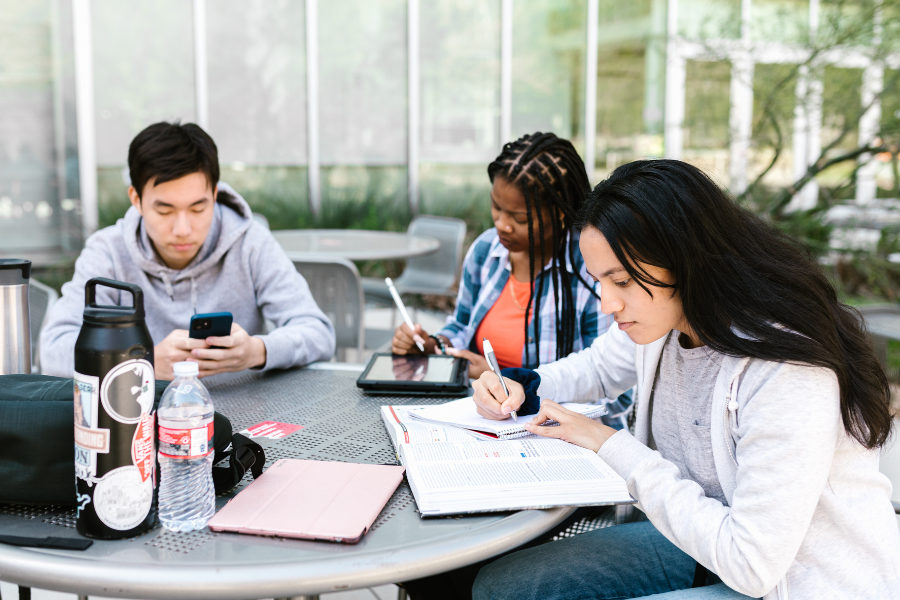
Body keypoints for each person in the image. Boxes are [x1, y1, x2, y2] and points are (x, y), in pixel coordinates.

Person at [470, 160, 900, 600]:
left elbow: (751, 566)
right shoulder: (667, 320)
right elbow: (596, 369)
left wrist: (611, 445)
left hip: (795, 582)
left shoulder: (785, 369)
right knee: (501, 587)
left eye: (621, 280)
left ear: (685, 260)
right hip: (704, 543)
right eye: (600, 280)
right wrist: (522, 385)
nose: (607, 303)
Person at [41, 122, 335, 380]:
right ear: (136, 198)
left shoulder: (250, 243)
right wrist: (143, 363)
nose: (183, 228)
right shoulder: (108, 252)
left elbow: (318, 332)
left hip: (245, 418)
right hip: (141, 420)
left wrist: (256, 351)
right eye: (165, 210)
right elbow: (54, 348)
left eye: (198, 208)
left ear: (215, 194)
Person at [392, 131, 632, 428]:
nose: (502, 225)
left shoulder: (590, 269)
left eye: (519, 218)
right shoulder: (485, 251)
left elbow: (615, 388)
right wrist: (435, 346)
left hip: (561, 436)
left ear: (559, 213)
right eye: (496, 207)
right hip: (484, 422)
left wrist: (509, 380)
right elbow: (462, 326)